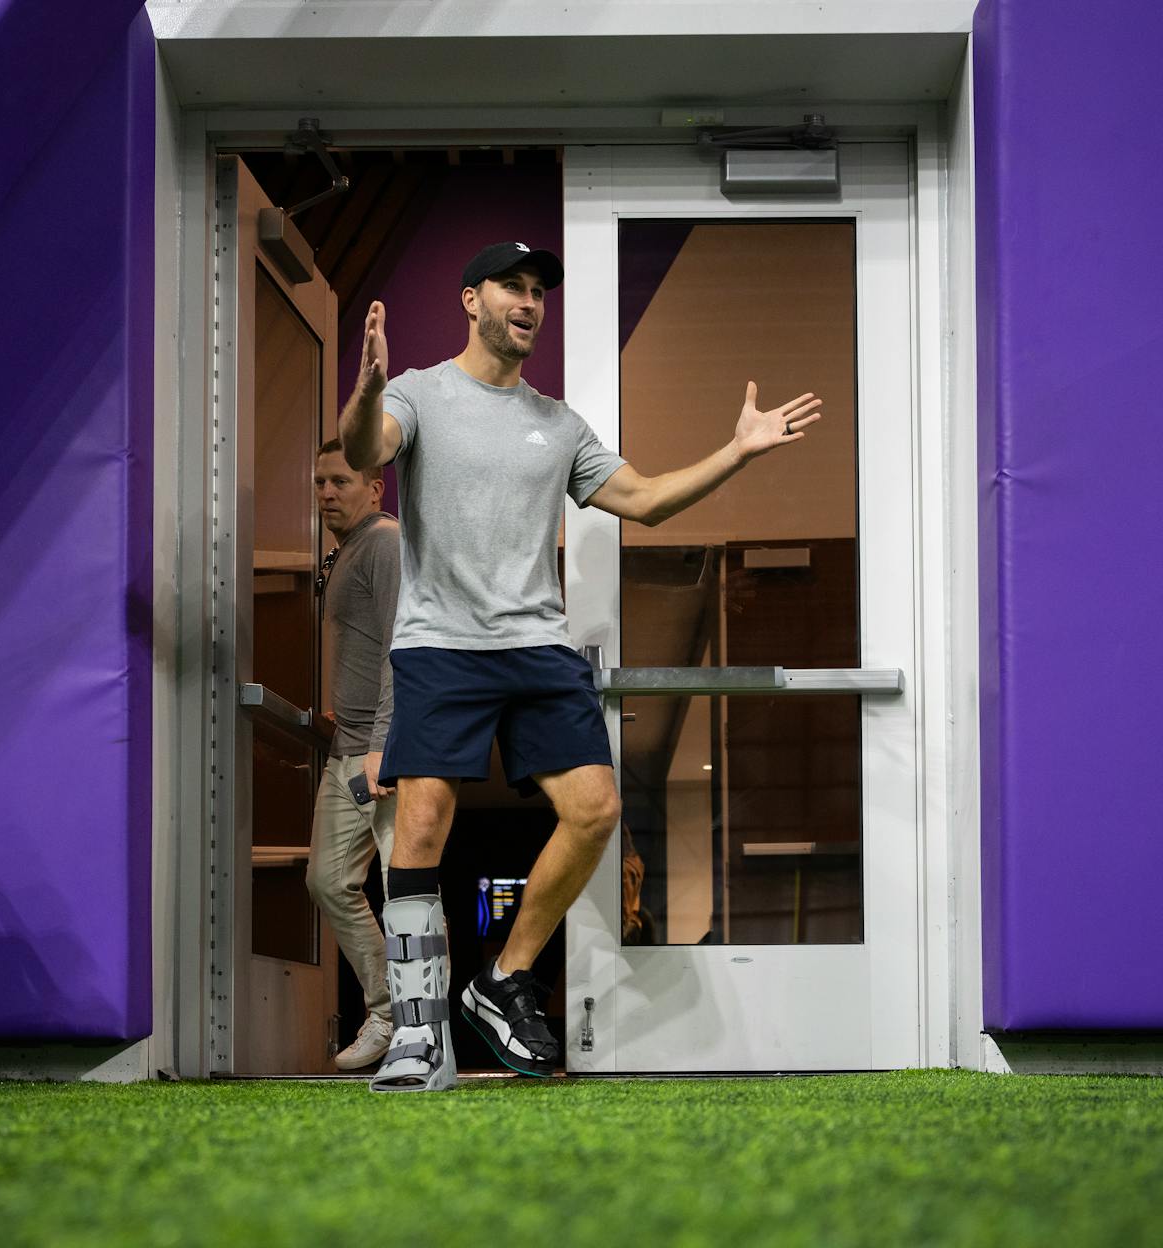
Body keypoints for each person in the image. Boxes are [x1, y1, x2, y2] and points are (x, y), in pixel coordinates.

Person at [339, 240, 823, 1092]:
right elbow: (365, 453)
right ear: (470, 300)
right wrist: (371, 382)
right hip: (441, 644)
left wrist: (737, 451)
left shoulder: (559, 424)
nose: (529, 302)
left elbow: (645, 499)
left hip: (535, 645)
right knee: (419, 830)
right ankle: (418, 1032)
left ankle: (501, 978)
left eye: (538, 292)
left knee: (595, 810)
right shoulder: (418, 392)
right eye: (512, 288)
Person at [304, 439, 401, 1071]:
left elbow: (404, 646)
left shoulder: (386, 543)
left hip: (385, 754)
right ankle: (390, 1012)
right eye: (319, 483)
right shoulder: (345, 551)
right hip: (348, 748)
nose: (327, 493)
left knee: (411, 891)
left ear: (375, 487)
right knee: (328, 881)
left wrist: (382, 744)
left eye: (340, 481)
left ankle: (426, 1026)